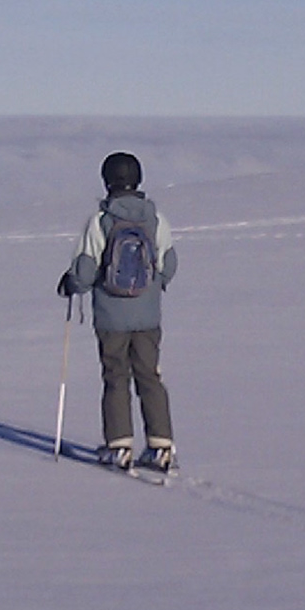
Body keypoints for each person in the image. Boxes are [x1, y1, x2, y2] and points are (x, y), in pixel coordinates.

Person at [56, 152, 178, 472]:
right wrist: (152, 289)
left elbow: (85, 270)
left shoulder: (100, 221)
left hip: (111, 317)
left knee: (116, 377)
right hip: (148, 317)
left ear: (107, 180)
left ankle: (119, 446)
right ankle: (162, 447)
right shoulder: (155, 218)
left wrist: (71, 284)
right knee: (150, 377)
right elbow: (169, 264)